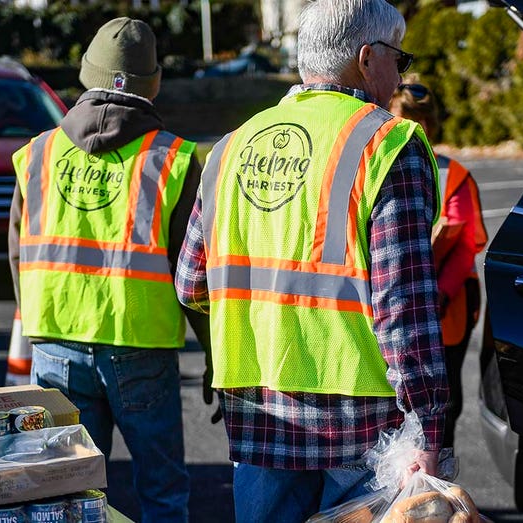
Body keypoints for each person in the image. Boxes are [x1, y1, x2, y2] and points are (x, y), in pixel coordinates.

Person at [175, 1, 448, 521]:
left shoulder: (230, 147)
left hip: (259, 409)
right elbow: (405, 307)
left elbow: (191, 284)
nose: (400, 74)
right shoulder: (388, 143)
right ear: (367, 58)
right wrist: (428, 426)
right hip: (363, 422)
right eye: (400, 58)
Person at [8, 17, 212, 523]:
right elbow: (196, 274)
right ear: (154, 82)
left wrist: (40, 319)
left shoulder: (38, 154)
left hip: (55, 343)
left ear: (84, 73)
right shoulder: (174, 159)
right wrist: (217, 356)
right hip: (140, 348)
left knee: (67, 492)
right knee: (162, 492)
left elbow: (18, 253)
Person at [390, 80, 488, 449]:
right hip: (395, 299)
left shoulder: (452, 175)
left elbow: (465, 244)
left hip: (449, 301)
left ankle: (438, 476)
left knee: (443, 399)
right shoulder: (376, 162)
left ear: (428, 125)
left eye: (413, 121)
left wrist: (440, 292)